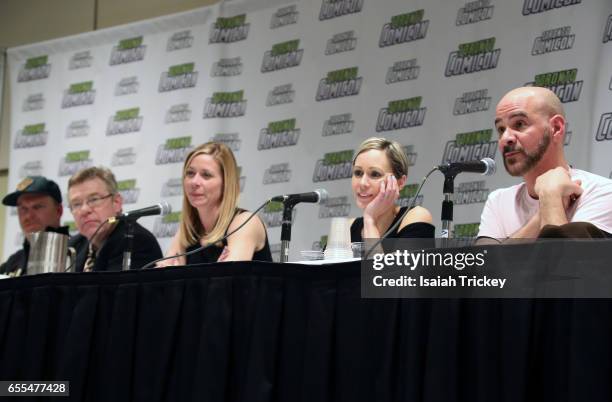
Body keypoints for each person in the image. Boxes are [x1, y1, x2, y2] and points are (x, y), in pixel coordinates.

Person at [477, 86, 612, 243]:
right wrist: (547, 205)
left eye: (519, 124)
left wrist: (551, 199)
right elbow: (485, 265)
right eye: (501, 129)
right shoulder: (498, 201)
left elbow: (567, 264)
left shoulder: (602, 193)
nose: (505, 138)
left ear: (556, 128)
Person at [160, 142, 272, 265]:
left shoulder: (245, 222)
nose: (195, 182)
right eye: (190, 173)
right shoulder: (188, 229)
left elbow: (227, 281)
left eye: (206, 175)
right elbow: (164, 279)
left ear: (226, 184)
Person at [67, 166, 163, 271]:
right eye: (76, 204)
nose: (84, 210)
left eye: (94, 199)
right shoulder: (74, 246)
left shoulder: (135, 241)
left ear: (116, 202)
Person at [350, 137, 434, 242]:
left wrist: (369, 220)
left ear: (400, 182)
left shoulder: (416, 217)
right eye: (358, 173)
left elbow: (376, 259)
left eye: (375, 174)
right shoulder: (347, 229)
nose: (363, 183)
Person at [0, 176, 66, 277]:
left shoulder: (79, 253)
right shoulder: (12, 263)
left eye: (37, 207)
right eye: (23, 209)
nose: (29, 216)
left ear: (58, 211)